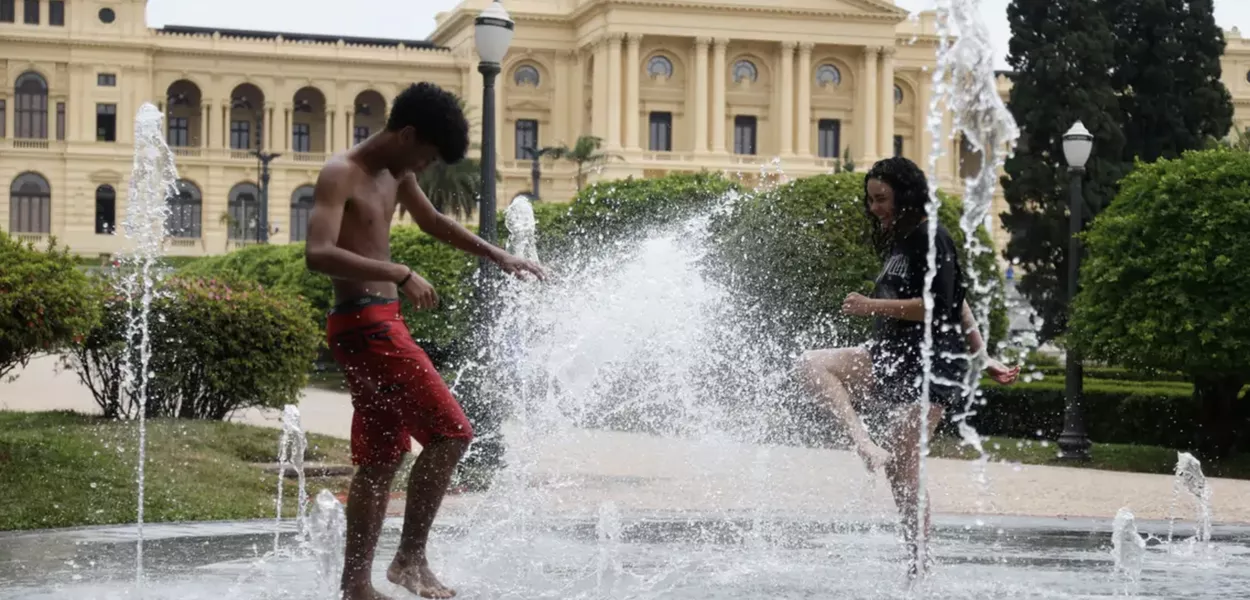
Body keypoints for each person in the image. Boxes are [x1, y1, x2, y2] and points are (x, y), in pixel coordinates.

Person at [305, 81, 546, 600]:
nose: (429, 167)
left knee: (381, 458)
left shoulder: (399, 172)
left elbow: (434, 222)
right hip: (366, 325)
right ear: (408, 133)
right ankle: (410, 560)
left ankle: (355, 588)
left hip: (374, 321)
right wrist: (397, 271)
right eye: (429, 154)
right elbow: (317, 252)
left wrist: (498, 255)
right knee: (453, 433)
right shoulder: (341, 172)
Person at [797, 156, 1020, 577]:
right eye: (871, 200)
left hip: (930, 367)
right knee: (811, 364)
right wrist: (984, 353)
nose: (875, 208)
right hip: (889, 354)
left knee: (904, 467)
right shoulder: (901, 240)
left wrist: (872, 305)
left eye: (881, 198)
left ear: (905, 194)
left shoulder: (932, 237)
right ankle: (864, 444)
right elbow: (963, 300)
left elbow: (943, 306)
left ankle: (920, 566)